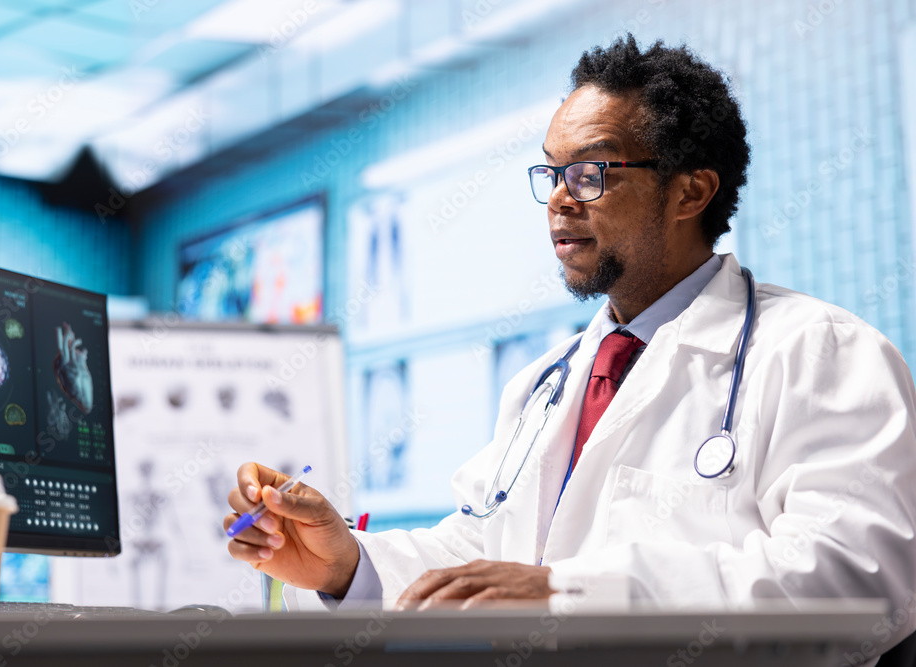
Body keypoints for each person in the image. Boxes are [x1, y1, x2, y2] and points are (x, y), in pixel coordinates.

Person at [225, 35, 916, 654]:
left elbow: (857, 580)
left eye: (591, 173)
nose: (560, 198)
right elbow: (481, 549)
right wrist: (345, 562)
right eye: (552, 173)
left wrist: (574, 596)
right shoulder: (543, 385)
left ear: (690, 192)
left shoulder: (819, 353)